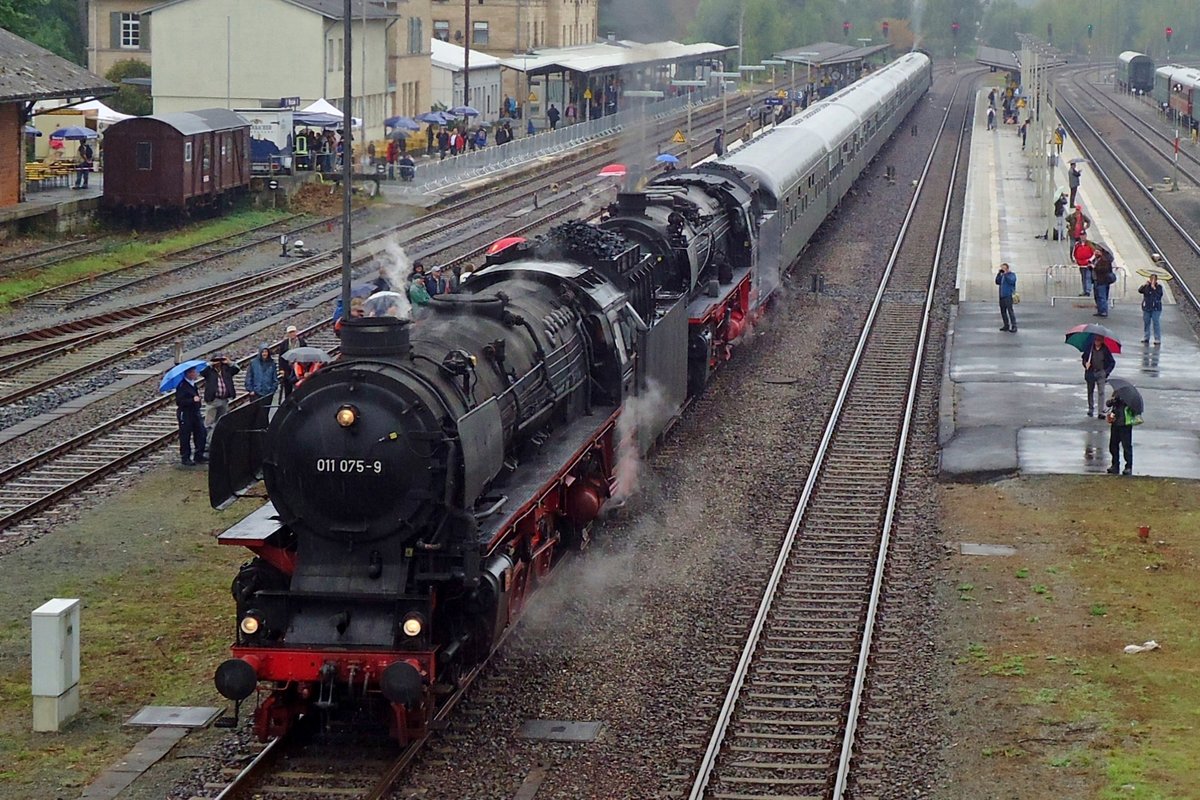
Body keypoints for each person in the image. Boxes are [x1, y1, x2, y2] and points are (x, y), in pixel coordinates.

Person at [175, 366, 207, 466]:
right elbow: (179, 401)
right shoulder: (182, 386)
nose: (196, 374)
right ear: (189, 374)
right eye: (194, 372)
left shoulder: (193, 384)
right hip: (186, 414)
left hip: (195, 412)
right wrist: (192, 400)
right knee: (185, 435)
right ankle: (185, 457)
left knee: (201, 432)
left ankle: (199, 455)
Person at [201, 354, 240, 427]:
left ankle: (219, 437)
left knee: (222, 422)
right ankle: (209, 437)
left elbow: (237, 369)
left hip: (224, 400)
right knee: (209, 423)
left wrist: (229, 362)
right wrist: (210, 364)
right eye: (216, 360)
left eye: (220, 360)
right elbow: (201, 372)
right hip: (213, 400)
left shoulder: (226, 369)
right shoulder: (209, 370)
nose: (218, 362)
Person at [1082, 336, 1115, 417]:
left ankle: (1100, 412)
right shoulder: (1089, 348)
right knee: (1090, 391)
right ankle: (1091, 409)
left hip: (1101, 373)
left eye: (1099, 340)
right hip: (1091, 373)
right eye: (1096, 340)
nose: (1097, 341)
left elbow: (1112, 362)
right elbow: (1084, 358)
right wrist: (1085, 363)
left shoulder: (1105, 350)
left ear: (1102, 341)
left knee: (1101, 392)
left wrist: (1106, 372)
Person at [1105, 391, 1134, 475]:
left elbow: (1133, 407)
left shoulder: (1129, 396)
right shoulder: (1116, 394)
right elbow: (1108, 404)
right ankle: (1115, 465)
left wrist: (1123, 401)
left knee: (1126, 446)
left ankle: (1128, 466)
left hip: (1125, 423)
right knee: (1113, 445)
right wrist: (1113, 401)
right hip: (1115, 422)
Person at [279, 324, 308, 397]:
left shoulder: (302, 342)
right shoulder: (284, 344)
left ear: (296, 332)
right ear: (288, 334)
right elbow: (281, 357)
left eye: (293, 332)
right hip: (288, 368)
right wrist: (281, 369)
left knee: (299, 387)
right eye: (290, 332)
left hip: (300, 367)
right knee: (288, 389)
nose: (292, 334)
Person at [1138, 273, 1163, 345]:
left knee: (1156, 322)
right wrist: (1144, 285)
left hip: (1156, 308)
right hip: (1147, 307)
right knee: (1146, 322)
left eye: (1154, 279)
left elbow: (1159, 295)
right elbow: (1140, 290)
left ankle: (1157, 338)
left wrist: (1154, 288)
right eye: (1151, 279)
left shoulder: (1159, 287)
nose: (1152, 281)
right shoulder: (1146, 287)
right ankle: (1146, 337)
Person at [1091, 245, 1114, 317]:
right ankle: (1100, 310)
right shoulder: (1096, 259)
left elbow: (1104, 270)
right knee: (1097, 296)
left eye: (1097, 251)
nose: (1095, 252)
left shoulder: (1105, 260)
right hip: (1096, 280)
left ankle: (1103, 311)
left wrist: (1094, 267)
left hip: (1102, 280)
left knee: (1102, 296)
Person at [995, 262, 1017, 332]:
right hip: (1002, 295)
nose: (1002, 270)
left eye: (1003, 268)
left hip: (1008, 295)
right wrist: (999, 274)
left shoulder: (1011, 275)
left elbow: (1012, 281)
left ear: (1007, 269)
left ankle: (1014, 326)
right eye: (1001, 268)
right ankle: (1006, 325)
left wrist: (1006, 274)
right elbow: (997, 282)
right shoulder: (1002, 276)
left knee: (1010, 311)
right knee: (1003, 311)